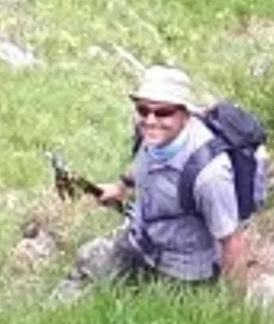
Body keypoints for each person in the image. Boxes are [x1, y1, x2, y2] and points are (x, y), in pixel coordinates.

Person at [63, 66, 253, 289]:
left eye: (163, 112)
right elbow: (144, 160)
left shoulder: (209, 174)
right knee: (84, 270)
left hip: (184, 273)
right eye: (143, 109)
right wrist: (120, 187)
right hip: (140, 243)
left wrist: (234, 313)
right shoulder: (153, 135)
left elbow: (233, 243)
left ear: (185, 115)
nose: (151, 120)